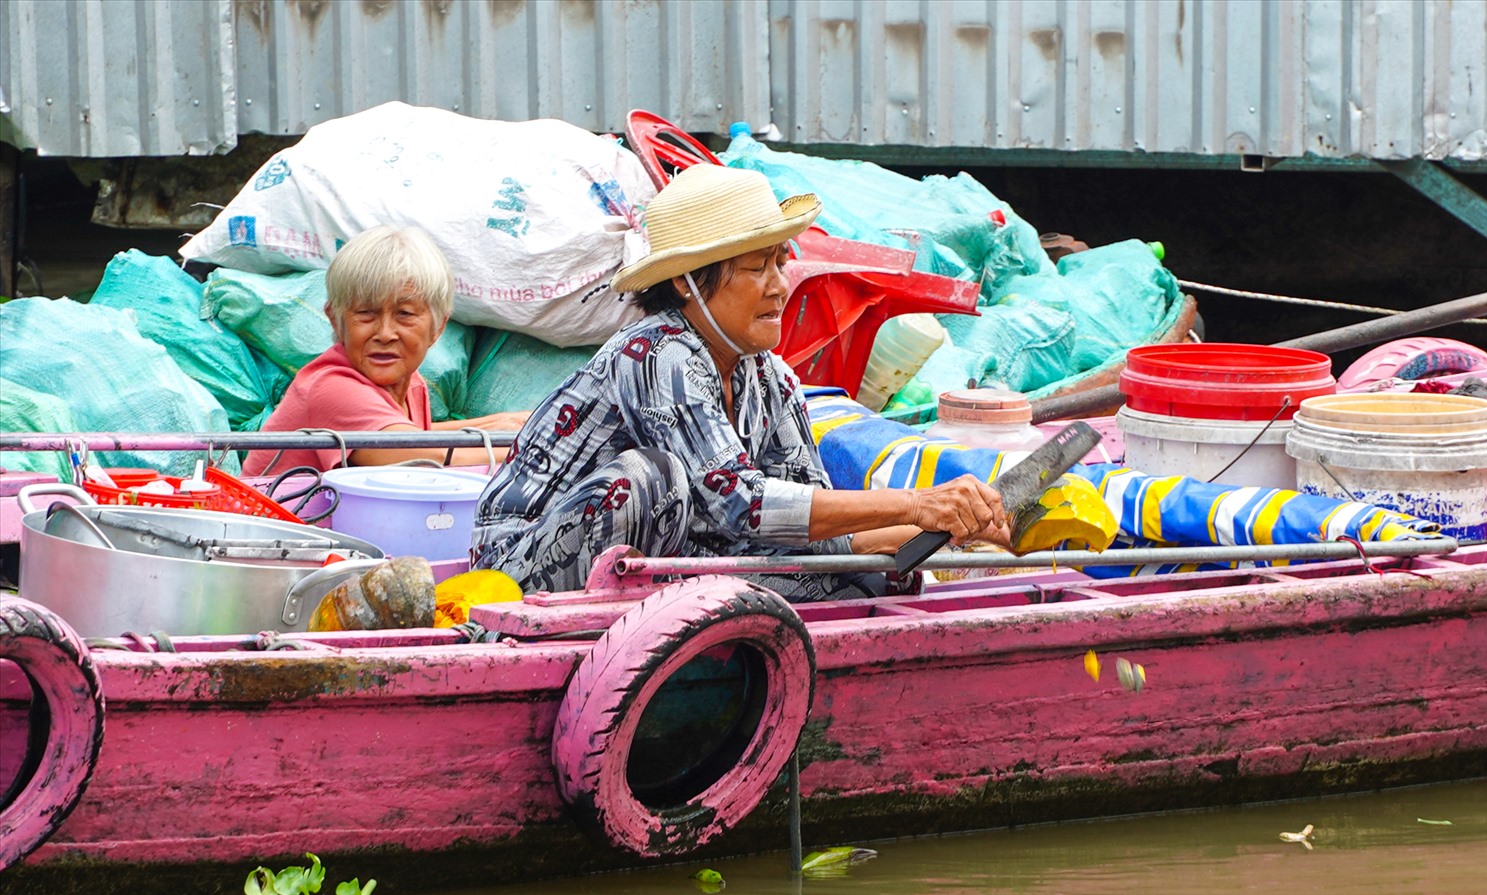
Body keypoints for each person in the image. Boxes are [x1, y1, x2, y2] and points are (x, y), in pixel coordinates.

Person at [470, 164, 1007, 600]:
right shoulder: (656, 353)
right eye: (758, 268)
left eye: (781, 262)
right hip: (520, 570)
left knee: (860, 579)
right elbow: (744, 506)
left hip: (668, 554)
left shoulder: (767, 376)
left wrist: (957, 529)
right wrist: (916, 505)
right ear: (686, 282)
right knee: (648, 477)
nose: (780, 286)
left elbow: (814, 524)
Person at [242, 225, 527, 475]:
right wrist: (535, 444)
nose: (385, 334)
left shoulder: (412, 385)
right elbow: (424, 459)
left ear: (438, 327)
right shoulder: (332, 388)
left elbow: (415, 438)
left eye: (404, 314)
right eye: (366, 313)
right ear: (336, 321)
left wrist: (506, 423)